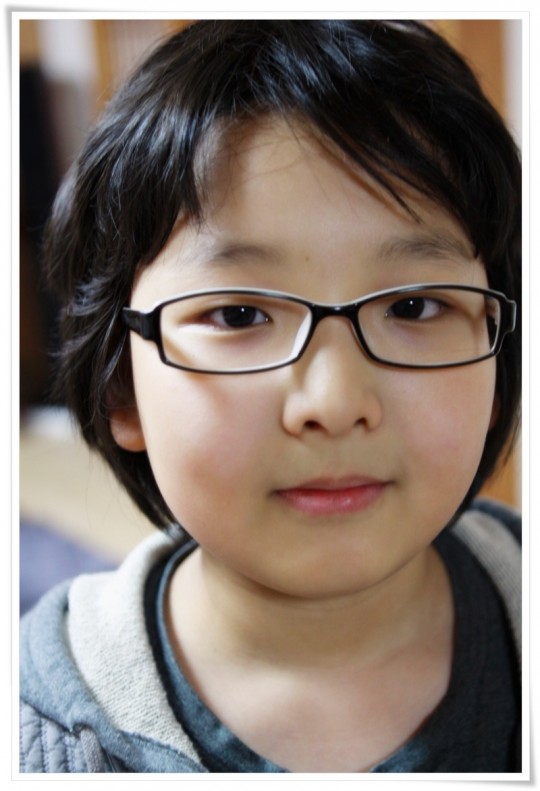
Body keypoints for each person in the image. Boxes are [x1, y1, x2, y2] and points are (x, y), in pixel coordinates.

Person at [19, 20, 522, 774]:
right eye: (239, 315)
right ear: (122, 383)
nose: (335, 400)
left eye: (414, 306)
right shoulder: (45, 742)